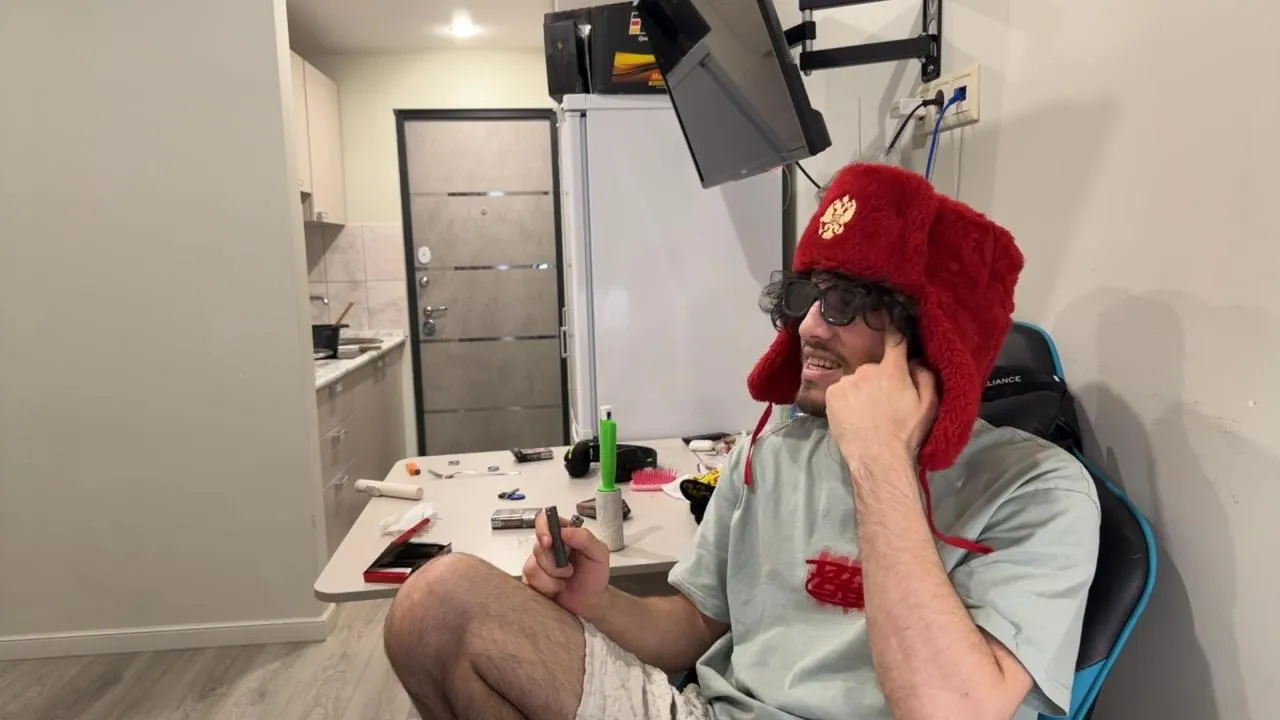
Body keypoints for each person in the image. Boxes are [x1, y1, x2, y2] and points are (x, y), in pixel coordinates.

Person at [382, 163, 1101, 720]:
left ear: (929, 340)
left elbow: (950, 710)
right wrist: (598, 603)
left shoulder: (1038, 490)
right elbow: (697, 625)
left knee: (445, 603)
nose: (809, 327)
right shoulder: (781, 444)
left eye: (845, 303)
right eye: (809, 296)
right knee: (434, 610)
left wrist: (880, 460)